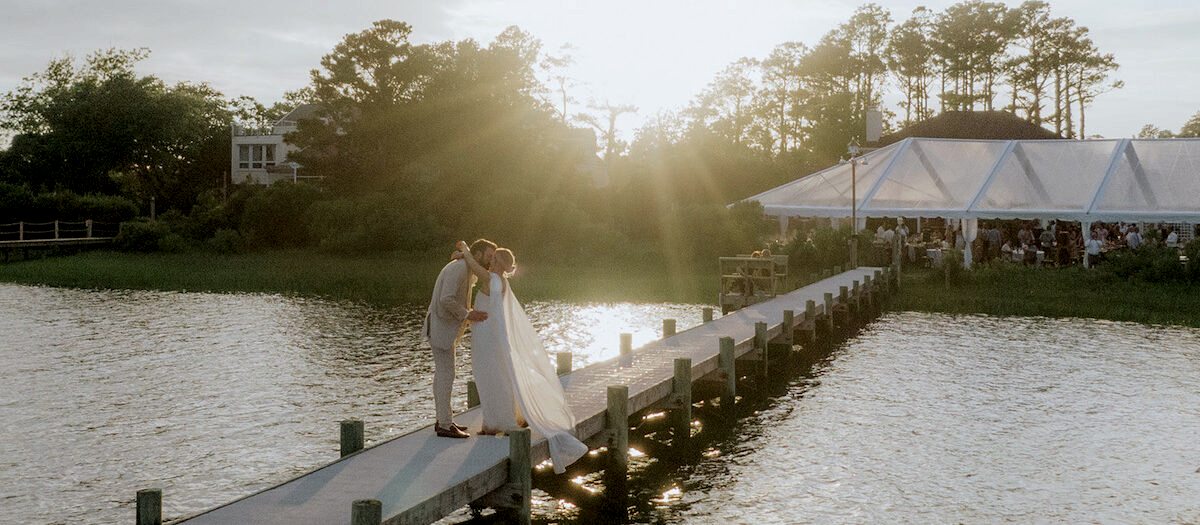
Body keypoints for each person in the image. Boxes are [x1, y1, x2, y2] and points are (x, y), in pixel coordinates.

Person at [455, 241, 589, 473]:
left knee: (488, 375)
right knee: (497, 375)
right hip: (494, 334)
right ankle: (494, 421)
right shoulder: (503, 282)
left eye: (493, 257)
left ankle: (499, 421)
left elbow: (473, 265)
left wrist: (464, 249)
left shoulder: (490, 279)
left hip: (487, 335)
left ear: (497, 262)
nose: (490, 259)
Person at [423, 239, 495, 439]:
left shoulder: (466, 266)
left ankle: (443, 420)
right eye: (489, 256)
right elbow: (446, 299)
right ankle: (445, 425)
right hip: (440, 329)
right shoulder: (460, 268)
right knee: (446, 375)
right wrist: (467, 314)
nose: (491, 260)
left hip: (443, 328)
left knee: (444, 375)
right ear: (478, 254)